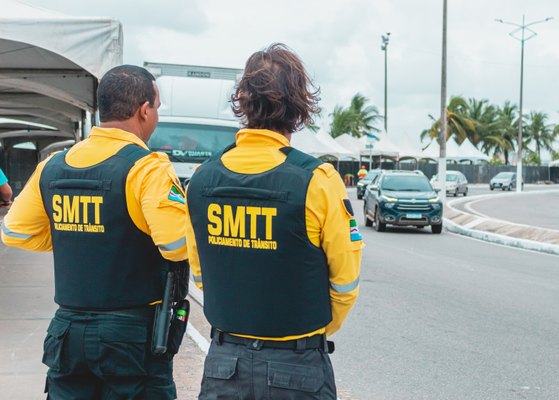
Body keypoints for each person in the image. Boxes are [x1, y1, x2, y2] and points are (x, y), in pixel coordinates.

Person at [186, 43, 362, 399]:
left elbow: (200, 271)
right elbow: (345, 282)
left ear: (242, 102)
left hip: (224, 365)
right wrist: (309, 330)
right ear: (299, 105)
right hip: (297, 367)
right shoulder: (317, 180)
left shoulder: (201, 180)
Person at [1, 65, 188, 399]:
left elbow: (16, 232)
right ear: (144, 110)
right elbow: (176, 244)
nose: (155, 116)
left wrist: (77, 237)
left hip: (67, 333)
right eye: (157, 108)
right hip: (130, 336)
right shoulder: (147, 167)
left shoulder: (53, 165)